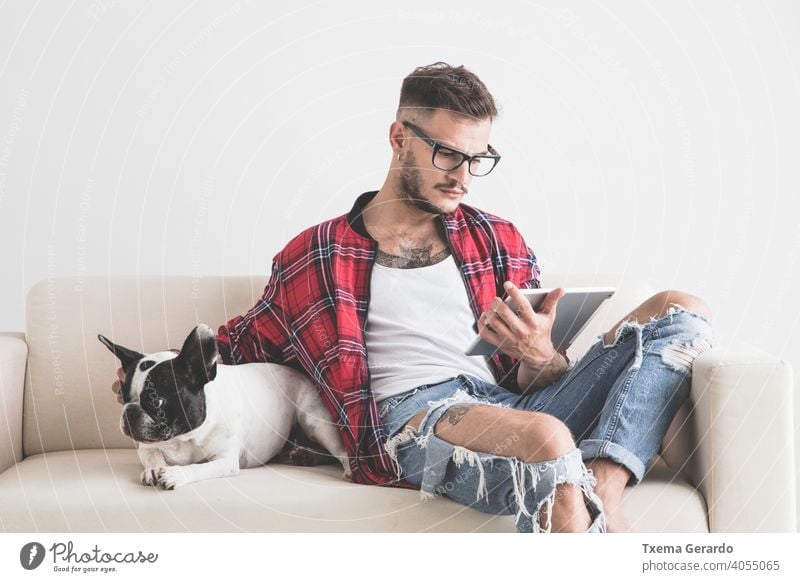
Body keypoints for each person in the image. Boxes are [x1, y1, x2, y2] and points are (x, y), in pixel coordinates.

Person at [112, 62, 714, 533]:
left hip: (506, 404)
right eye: (447, 152)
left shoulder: (496, 239)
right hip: (411, 421)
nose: (463, 175)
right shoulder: (316, 255)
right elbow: (240, 343)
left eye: (478, 158)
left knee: (679, 306)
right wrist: (151, 374)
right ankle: (583, 488)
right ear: (399, 137)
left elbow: (538, 386)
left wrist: (539, 356)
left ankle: (603, 485)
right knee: (549, 441)